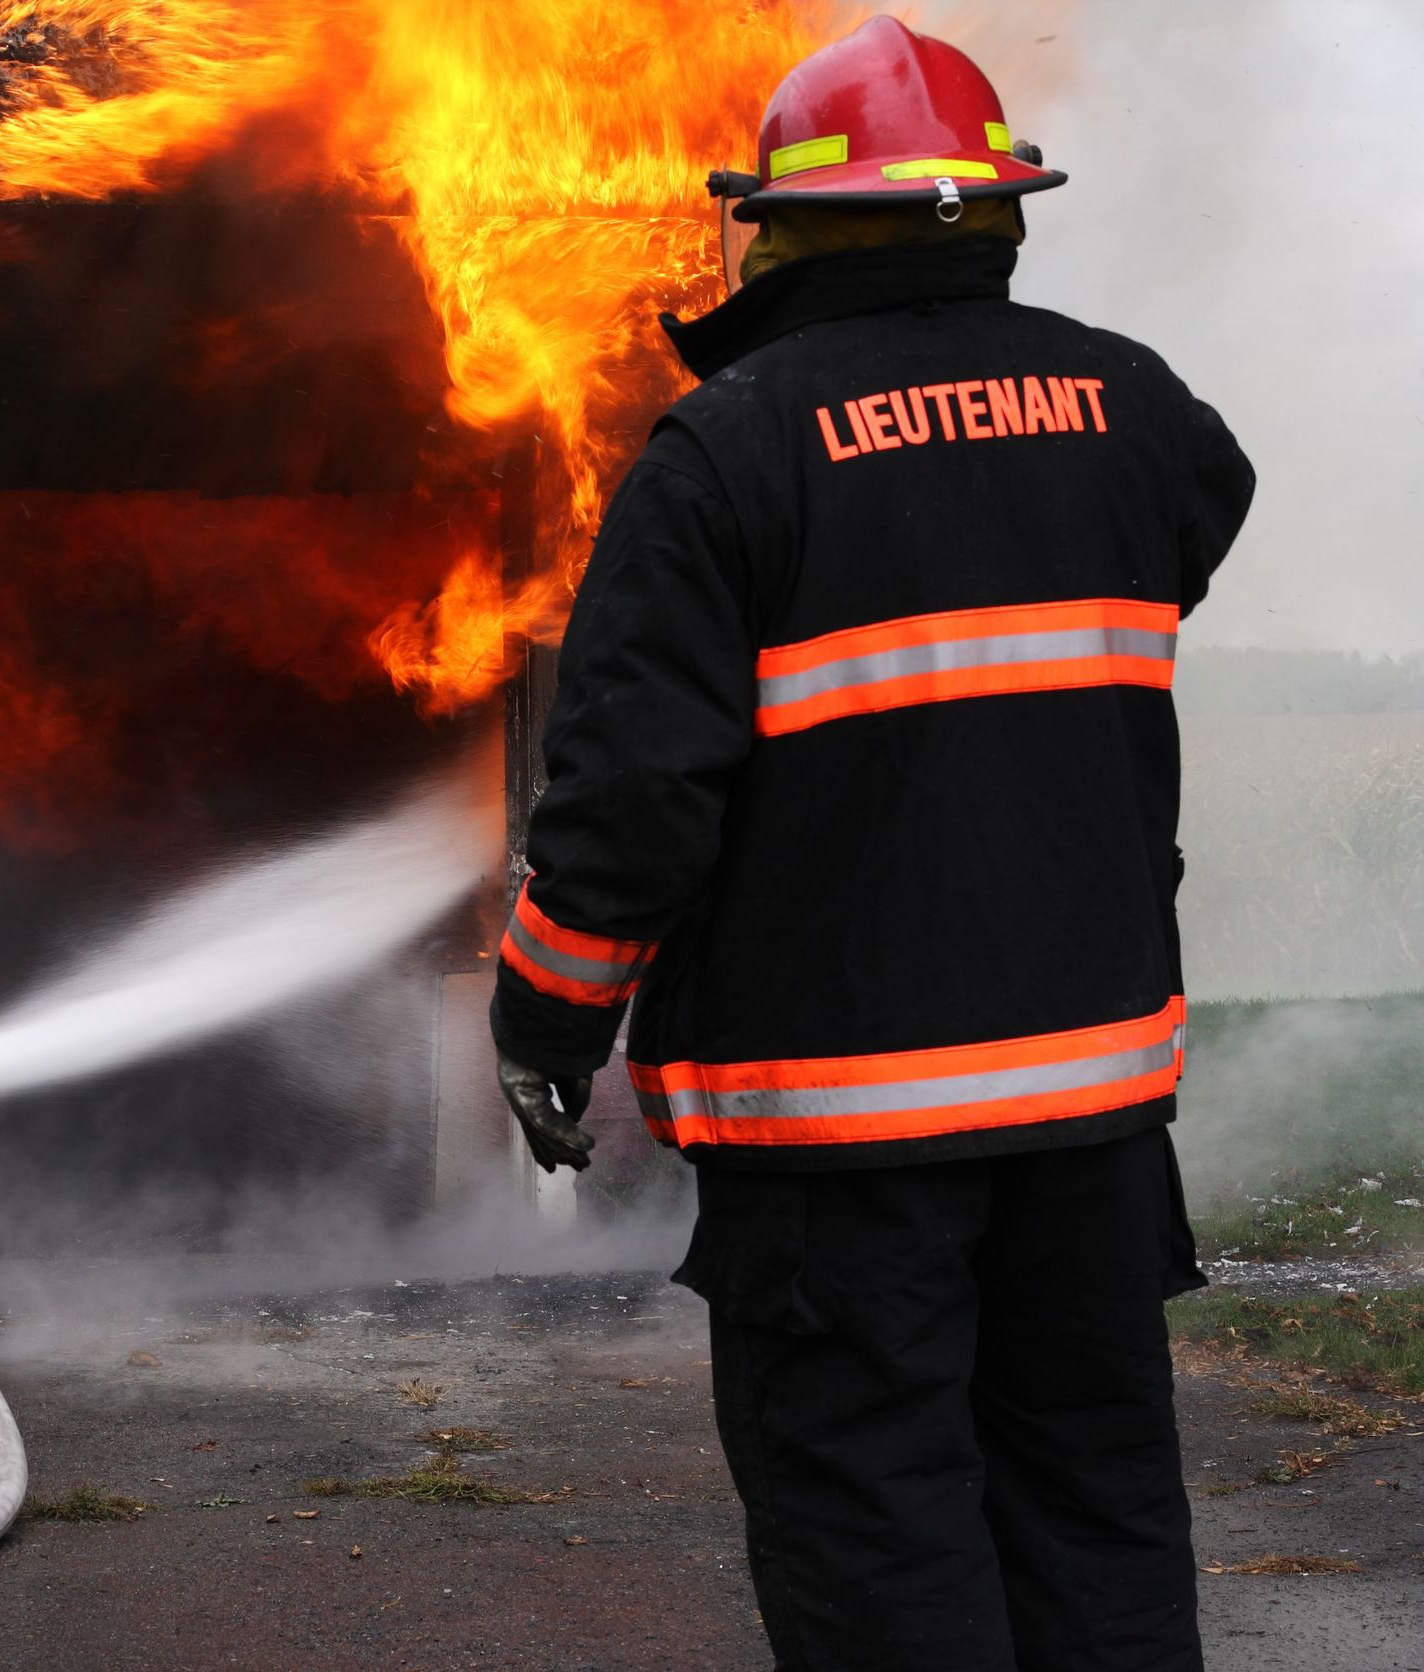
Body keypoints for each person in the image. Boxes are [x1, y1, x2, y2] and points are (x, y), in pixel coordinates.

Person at [490, 17, 1254, 1671]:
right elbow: (1197, 518)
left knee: (877, 1535)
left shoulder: (729, 453)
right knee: (1096, 1512)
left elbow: (627, 806)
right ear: (993, 213)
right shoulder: (1130, 412)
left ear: (783, 224)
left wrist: (541, 1031)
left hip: (841, 1147)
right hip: (1091, 1121)